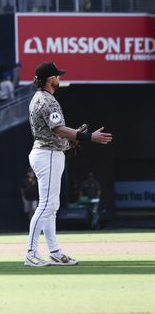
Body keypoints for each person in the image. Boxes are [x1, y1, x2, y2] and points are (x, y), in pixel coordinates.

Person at [24, 62, 112, 267]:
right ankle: (31, 252)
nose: (59, 78)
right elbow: (59, 129)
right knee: (46, 205)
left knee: (51, 206)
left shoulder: (38, 98)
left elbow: (56, 131)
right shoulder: (48, 100)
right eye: (56, 76)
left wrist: (70, 139)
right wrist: (87, 136)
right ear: (50, 79)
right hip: (48, 154)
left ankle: (54, 251)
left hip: (46, 152)